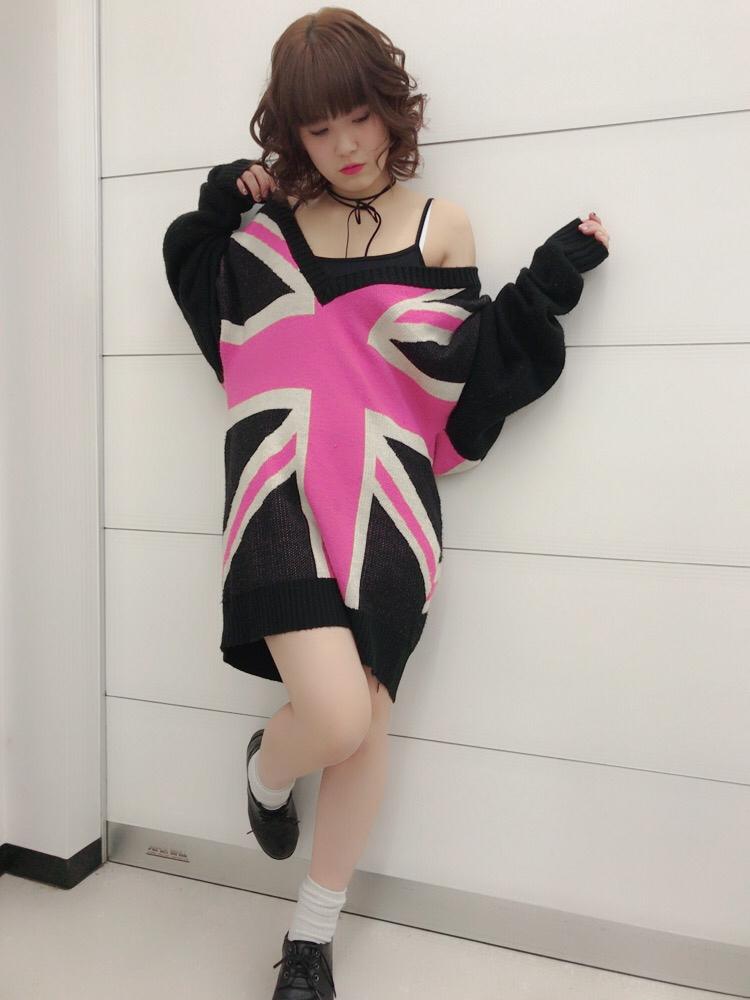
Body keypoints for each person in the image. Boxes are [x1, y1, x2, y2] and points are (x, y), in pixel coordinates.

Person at [162, 7, 610, 997]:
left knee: (366, 718)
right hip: (278, 490)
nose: (346, 145)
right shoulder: (265, 229)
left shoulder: (440, 226)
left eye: (358, 117)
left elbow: (465, 366)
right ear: (293, 133)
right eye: (319, 128)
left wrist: (546, 284)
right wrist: (219, 197)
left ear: (390, 107)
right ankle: (267, 770)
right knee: (330, 716)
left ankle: (310, 941)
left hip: (387, 505)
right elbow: (197, 273)